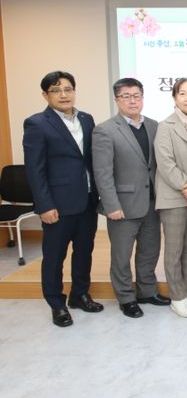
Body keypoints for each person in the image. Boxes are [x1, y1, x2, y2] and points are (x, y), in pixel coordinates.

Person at [22, 71, 103, 327]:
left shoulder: (86, 119)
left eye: (68, 89)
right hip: (57, 204)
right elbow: (34, 170)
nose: (63, 94)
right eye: (56, 90)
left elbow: (89, 159)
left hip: (87, 200)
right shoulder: (37, 124)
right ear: (45, 95)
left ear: (74, 91)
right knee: (55, 257)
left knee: (84, 252)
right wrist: (44, 205)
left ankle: (80, 294)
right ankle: (57, 304)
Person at [93, 77, 169, 319]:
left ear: (142, 98)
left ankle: (147, 291)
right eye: (126, 96)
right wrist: (111, 205)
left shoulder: (155, 126)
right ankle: (126, 297)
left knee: (150, 251)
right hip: (122, 206)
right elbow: (102, 173)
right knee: (121, 255)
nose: (132, 101)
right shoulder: (105, 130)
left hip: (152, 202)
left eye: (136, 95)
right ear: (117, 100)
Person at [154, 78, 187, 318]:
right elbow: (165, 163)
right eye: (182, 93)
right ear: (174, 97)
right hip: (173, 195)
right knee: (174, 249)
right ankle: (177, 297)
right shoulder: (165, 126)